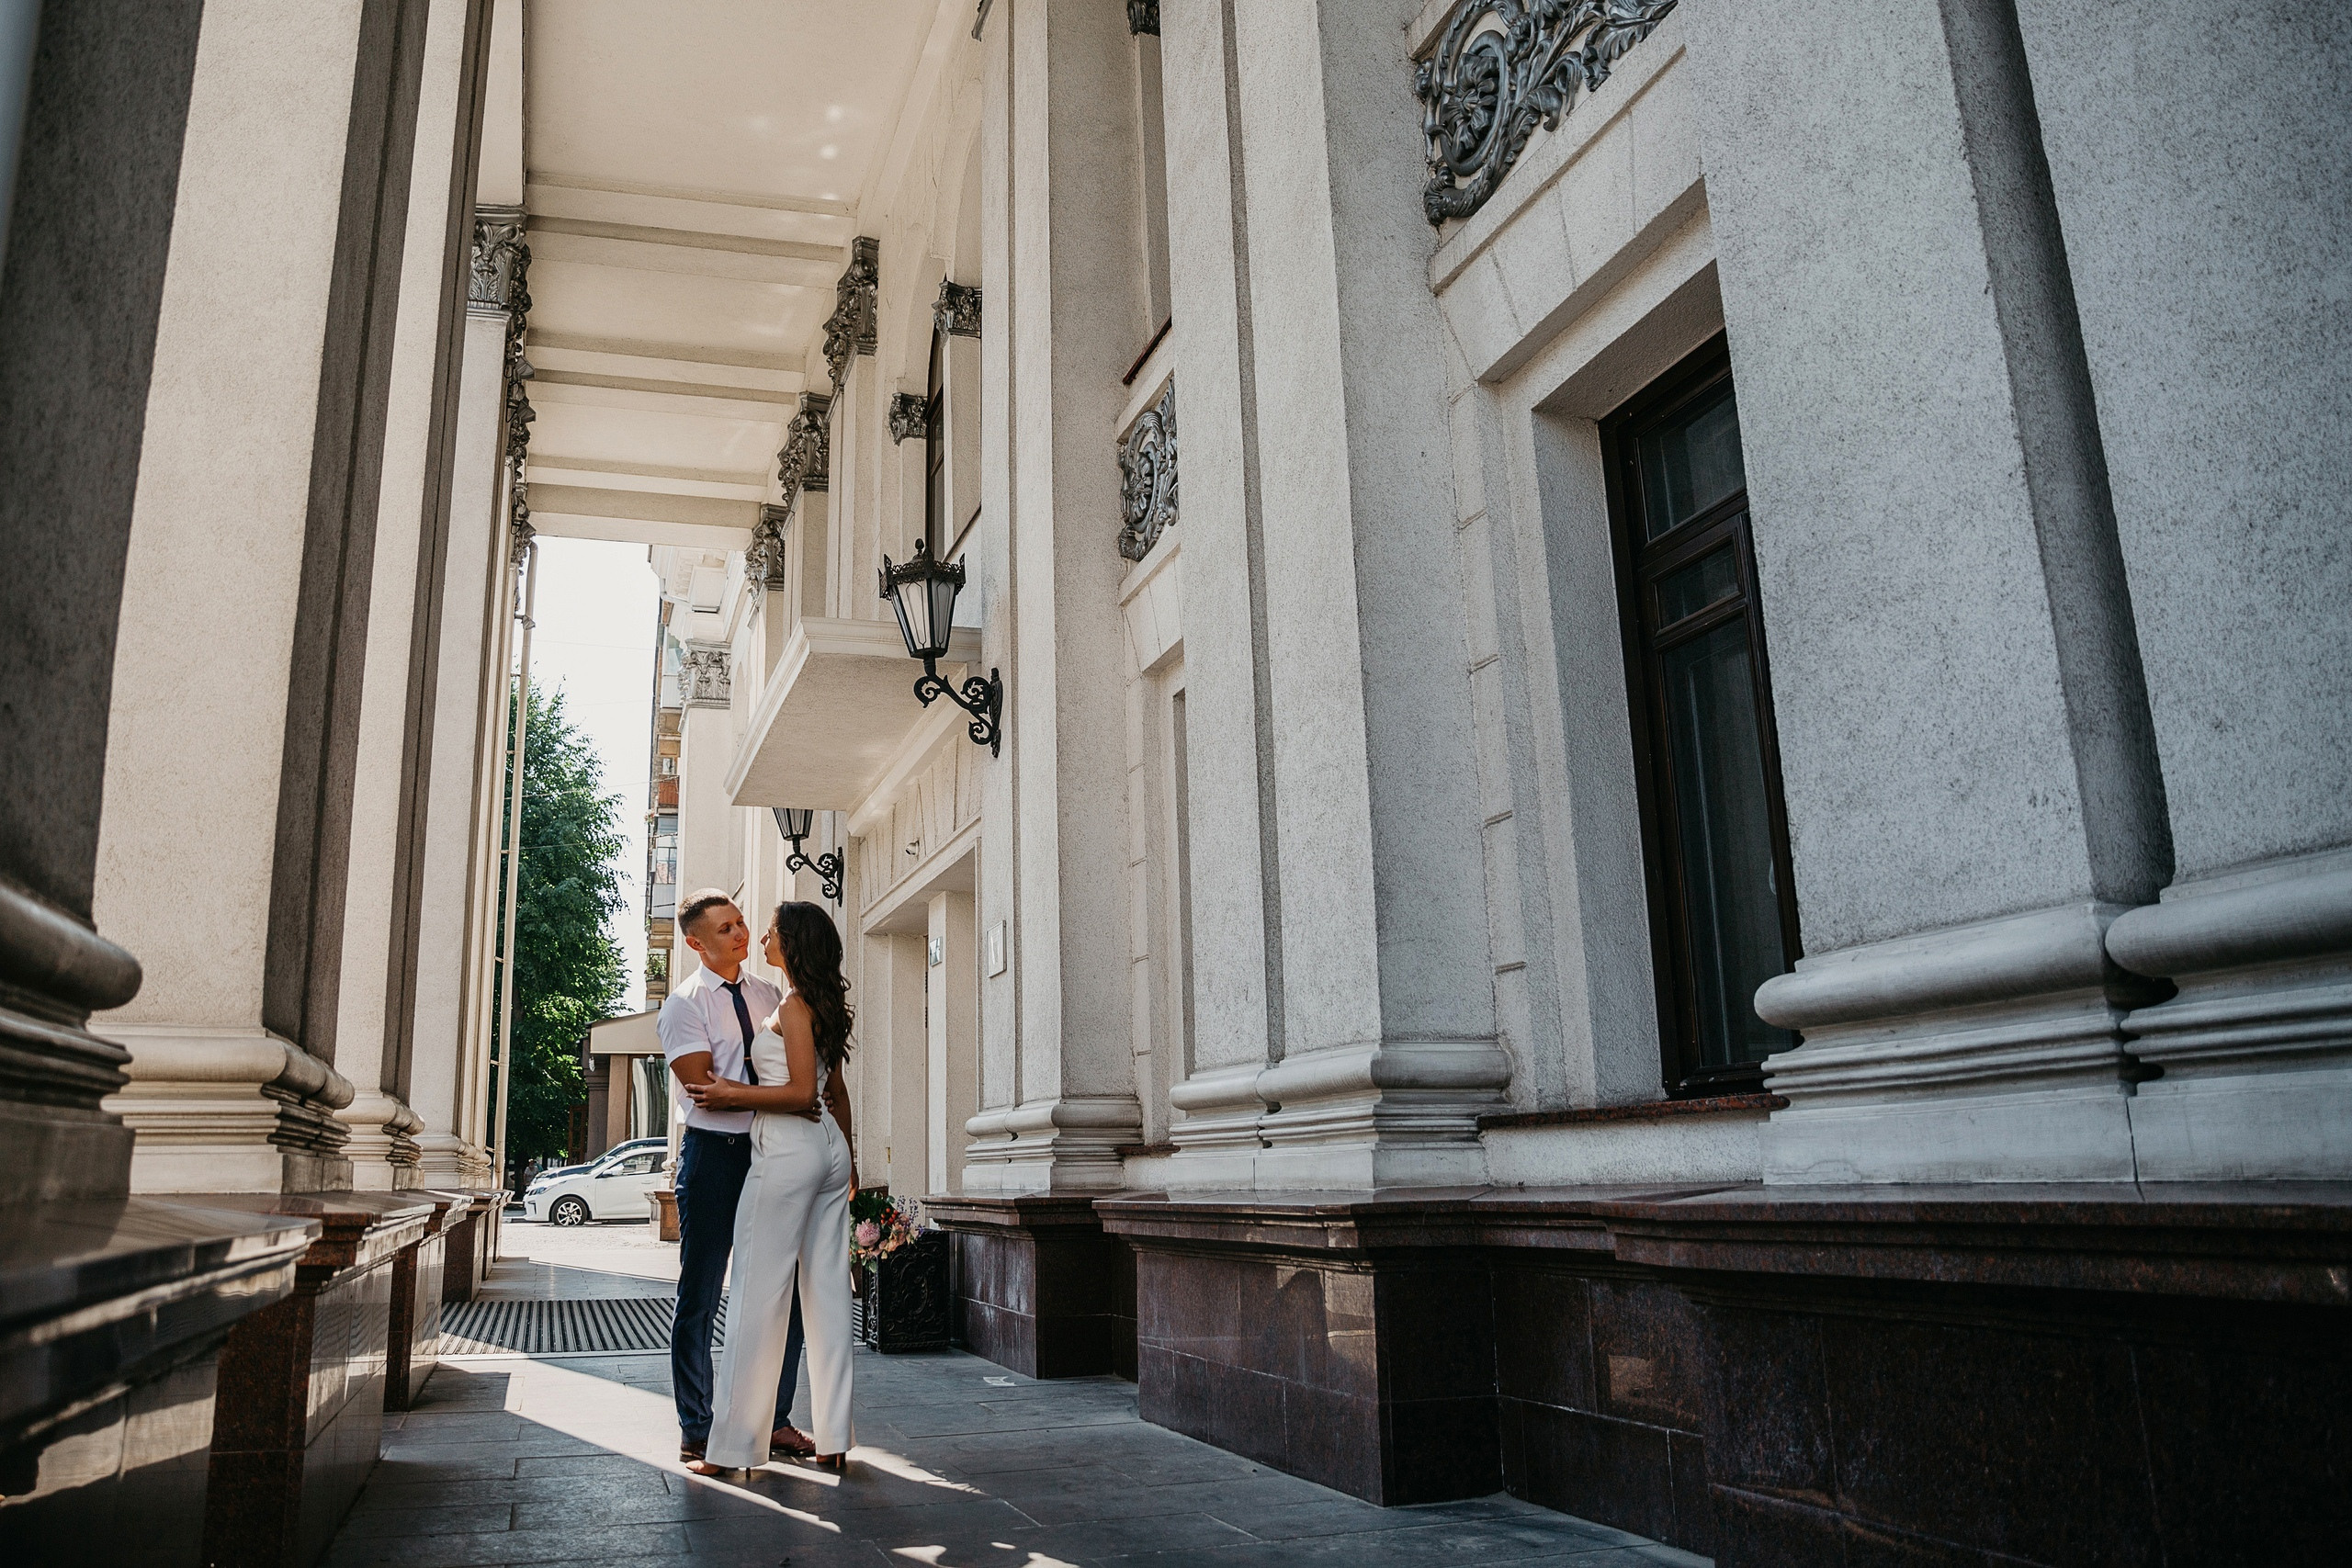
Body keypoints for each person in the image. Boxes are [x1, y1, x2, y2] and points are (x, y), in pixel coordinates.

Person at [684, 899, 859, 1475]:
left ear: (793, 943)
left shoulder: (791, 1003)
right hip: (828, 1151)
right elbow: (835, 1094)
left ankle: (730, 1449)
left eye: (772, 932)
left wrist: (734, 1095)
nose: (760, 936)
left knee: (757, 1300)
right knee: (828, 1293)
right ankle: (834, 1437)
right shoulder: (820, 1002)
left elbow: (802, 1093)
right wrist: (848, 1160)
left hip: (788, 1152)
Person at [658, 889, 813, 1463]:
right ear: (697, 942)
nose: (741, 934)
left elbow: (788, 1075)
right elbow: (708, 1095)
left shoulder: (771, 994)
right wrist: (792, 1100)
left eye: (743, 923)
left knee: (784, 1291)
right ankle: (697, 1425)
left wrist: (793, 1103)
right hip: (714, 1159)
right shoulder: (684, 1005)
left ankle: (773, 1419)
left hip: (770, 1153)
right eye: (725, 929)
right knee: (700, 1292)